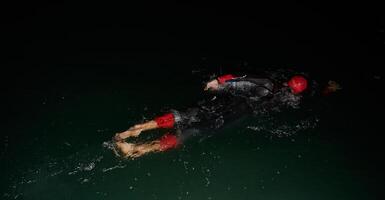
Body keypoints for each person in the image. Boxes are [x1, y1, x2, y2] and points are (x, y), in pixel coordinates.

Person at [112, 73, 308, 158]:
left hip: (228, 103)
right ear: (296, 92)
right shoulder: (286, 100)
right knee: (190, 132)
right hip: (235, 116)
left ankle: (134, 130)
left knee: (186, 115)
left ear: (287, 81)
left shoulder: (268, 84)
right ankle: (138, 150)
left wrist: (218, 81)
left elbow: (242, 78)